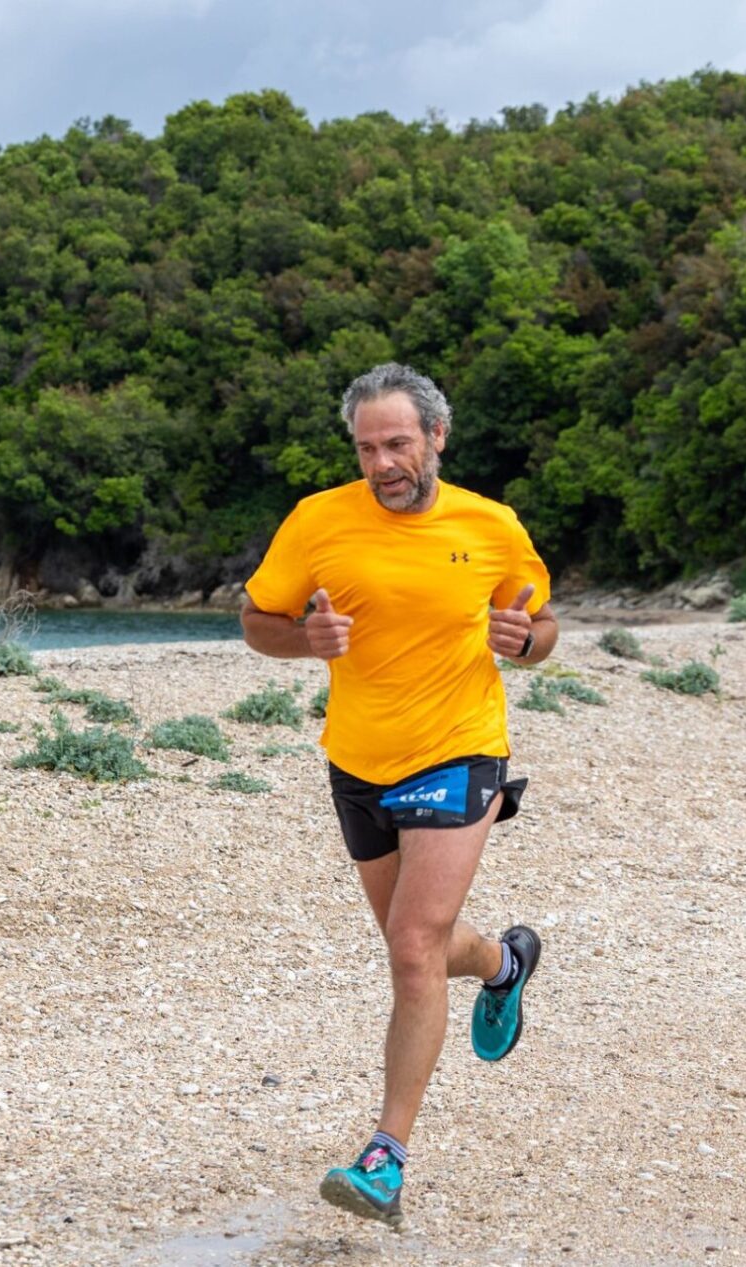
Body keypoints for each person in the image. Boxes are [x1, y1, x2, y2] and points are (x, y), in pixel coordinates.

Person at [239, 362, 558, 1229]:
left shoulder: (490, 526)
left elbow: (542, 624)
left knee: (412, 946)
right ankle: (504, 962)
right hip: (358, 763)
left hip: (459, 752)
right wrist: (304, 639)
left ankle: (385, 1155)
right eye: (368, 446)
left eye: (398, 443)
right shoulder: (317, 521)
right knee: (419, 942)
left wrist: (525, 639)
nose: (383, 463)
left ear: (436, 438)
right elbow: (256, 620)